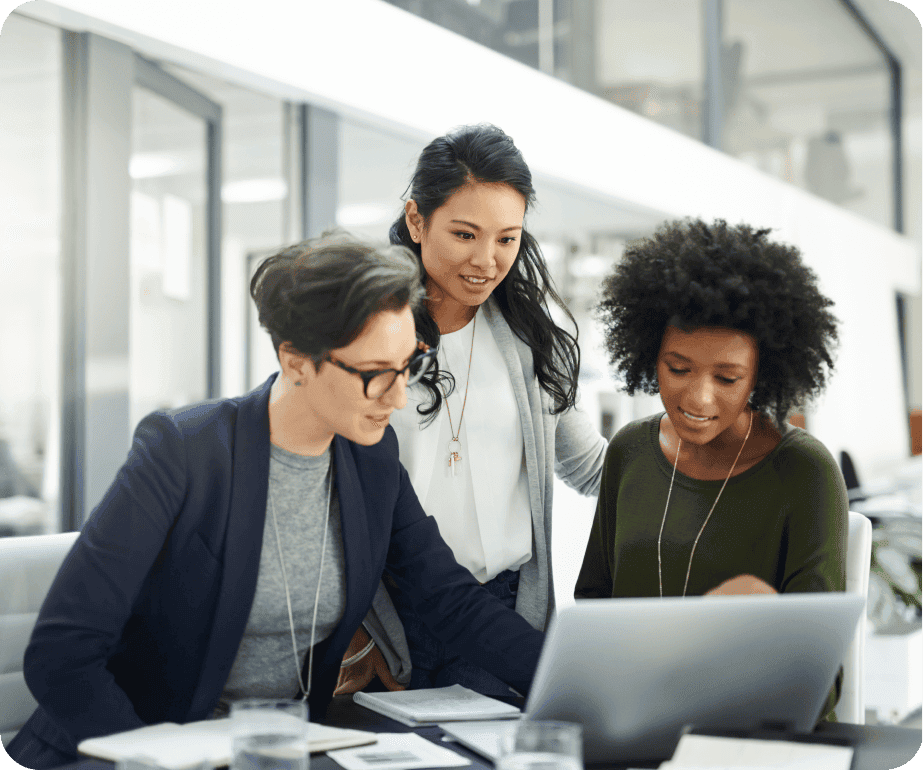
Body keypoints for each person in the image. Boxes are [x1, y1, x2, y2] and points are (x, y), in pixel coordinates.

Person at [8, 233, 545, 770]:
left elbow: (449, 600)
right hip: (134, 751)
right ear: (297, 361)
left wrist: (563, 682)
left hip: (279, 753)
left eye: (409, 366)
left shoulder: (372, 459)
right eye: (376, 374)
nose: (399, 396)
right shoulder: (184, 452)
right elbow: (63, 653)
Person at [335, 125, 607, 697]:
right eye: (465, 234)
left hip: (503, 612)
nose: (487, 260)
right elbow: (323, 489)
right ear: (416, 221)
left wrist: (707, 456)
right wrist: (355, 633)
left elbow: (592, 466)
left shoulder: (531, 339)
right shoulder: (364, 335)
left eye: (507, 239)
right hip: (387, 618)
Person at [575, 218, 847, 720]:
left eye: (727, 377)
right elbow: (593, 608)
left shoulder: (804, 472)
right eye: (677, 369)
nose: (698, 398)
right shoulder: (629, 451)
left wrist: (764, 622)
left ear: (762, 374)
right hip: (633, 721)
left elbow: (820, 679)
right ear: (648, 355)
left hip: (750, 734)